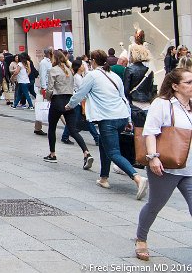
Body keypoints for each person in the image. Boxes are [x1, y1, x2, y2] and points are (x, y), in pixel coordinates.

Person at [66, 49, 148, 199]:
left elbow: (80, 93)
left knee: (113, 152)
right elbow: (123, 98)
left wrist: (70, 105)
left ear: (93, 61)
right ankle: (104, 178)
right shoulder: (114, 76)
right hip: (121, 116)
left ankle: (137, 178)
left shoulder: (92, 75)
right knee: (104, 146)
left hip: (107, 118)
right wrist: (129, 120)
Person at [134, 67, 192, 261]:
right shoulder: (163, 104)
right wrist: (153, 157)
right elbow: (150, 131)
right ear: (175, 86)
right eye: (188, 82)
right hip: (166, 166)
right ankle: (141, 238)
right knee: (155, 205)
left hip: (190, 167)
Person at [43, 50, 94, 169]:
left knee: (52, 128)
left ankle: (52, 154)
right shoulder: (69, 70)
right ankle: (86, 152)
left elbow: (50, 89)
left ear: (54, 59)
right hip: (69, 101)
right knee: (73, 130)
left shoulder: (53, 70)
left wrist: (48, 98)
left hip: (57, 101)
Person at [124, 45, 155, 130]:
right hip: (147, 103)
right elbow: (151, 89)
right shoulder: (149, 71)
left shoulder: (129, 69)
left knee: (137, 131)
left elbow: (126, 90)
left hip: (134, 102)